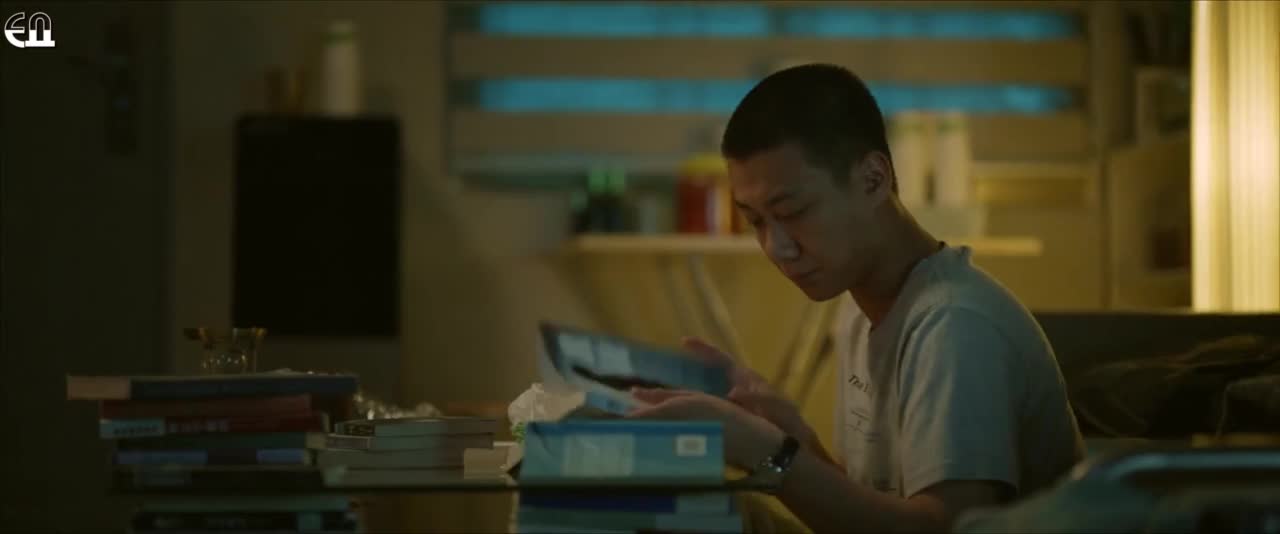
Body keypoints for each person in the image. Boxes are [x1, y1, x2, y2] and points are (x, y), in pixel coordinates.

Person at [628, 63, 1085, 533]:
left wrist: (765, 452)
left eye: (793, 211)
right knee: (686, 513)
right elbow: (872, 510)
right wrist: (793, 436)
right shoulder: (857, 309)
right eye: (756, 221)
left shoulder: (954, 325)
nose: (776, 247)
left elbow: (941, 528)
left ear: (872, 179)